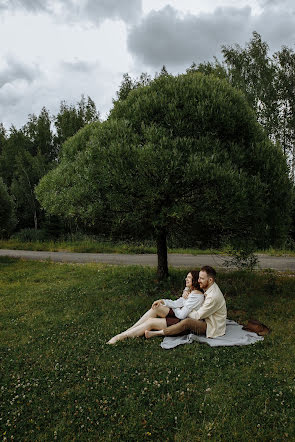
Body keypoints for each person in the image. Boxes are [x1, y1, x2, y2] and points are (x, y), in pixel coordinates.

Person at [107, 270, 204, 344]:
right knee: (156, 308)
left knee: (151, 322)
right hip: (180, 316)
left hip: (183, 324)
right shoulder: (191, 292)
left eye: (189, 278)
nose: (186, 279)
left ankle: (121, 337)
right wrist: (162, 301)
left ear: (194, 280)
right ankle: (130, 330)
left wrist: (176, 307)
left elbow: (181, 315)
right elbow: (177, 303)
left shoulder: (196, 296)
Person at [145, 265, 227, 339]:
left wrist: (184, 308)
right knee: (183, 314)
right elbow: (193, 284)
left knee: (187, 321)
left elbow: (198, 316)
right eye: (198, 278)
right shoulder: (207, 284)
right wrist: (186, 290)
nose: (198, 280)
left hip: (211, 325)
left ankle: (158, 333)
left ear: (210, 280)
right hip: (205, 316)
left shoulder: (213, 296)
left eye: (201, 278)